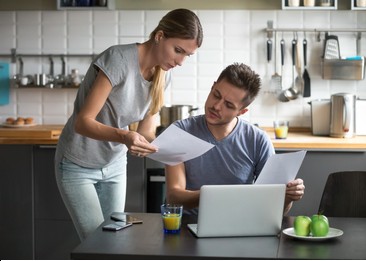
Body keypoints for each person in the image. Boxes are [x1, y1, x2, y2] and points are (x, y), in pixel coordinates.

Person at [55, 9, 203, 240]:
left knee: (114, 240)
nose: (181, 61)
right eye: (178, 50)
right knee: (95, 244)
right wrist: (125, 137)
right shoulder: (118, 60)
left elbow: (145, 132)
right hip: (78, 163)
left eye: (187, 56)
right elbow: (83, 123)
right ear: (160, 36)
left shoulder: (164, 74)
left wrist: (174, 149)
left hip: (114, 164)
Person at [165, 63, 305, 215]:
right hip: (186, 227)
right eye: (216, 95)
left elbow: (275, 209)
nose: (216, 106)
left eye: (229, 105)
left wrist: (288, 197)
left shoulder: (258, 140)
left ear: (241, 111)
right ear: (212, 87)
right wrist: (221, 196)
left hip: (239, 226)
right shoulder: (181, 131)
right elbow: (174, 197)